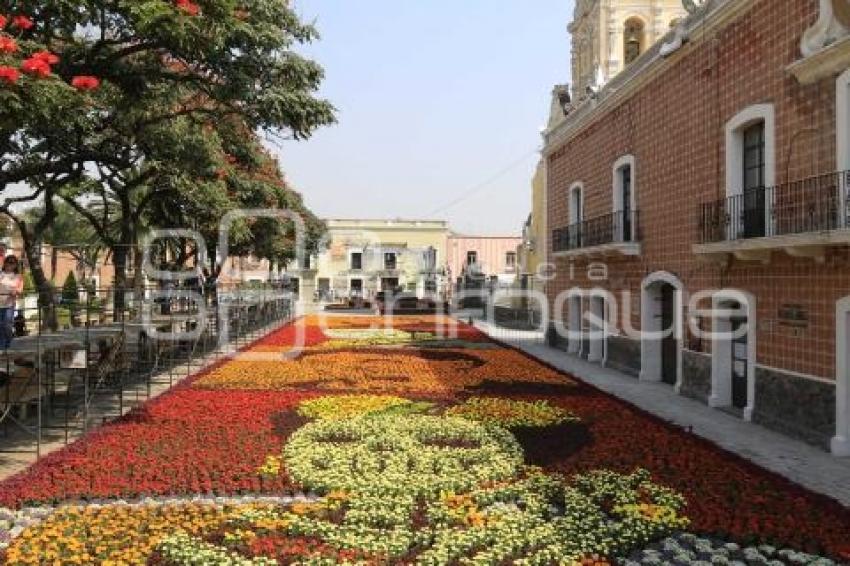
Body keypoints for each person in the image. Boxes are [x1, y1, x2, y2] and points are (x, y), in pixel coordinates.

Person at [0, 255, 23, 349]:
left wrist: (15, 291)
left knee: (8, 326)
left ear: (16, 265)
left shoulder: (18, 276)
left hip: (9, 304)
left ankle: (8, 344)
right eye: (8, 262)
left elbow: (20, 290)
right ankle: (2, 347)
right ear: (5, 263)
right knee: (0, 326)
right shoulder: (0, 274)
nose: (10, 264)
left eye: (13, 262)